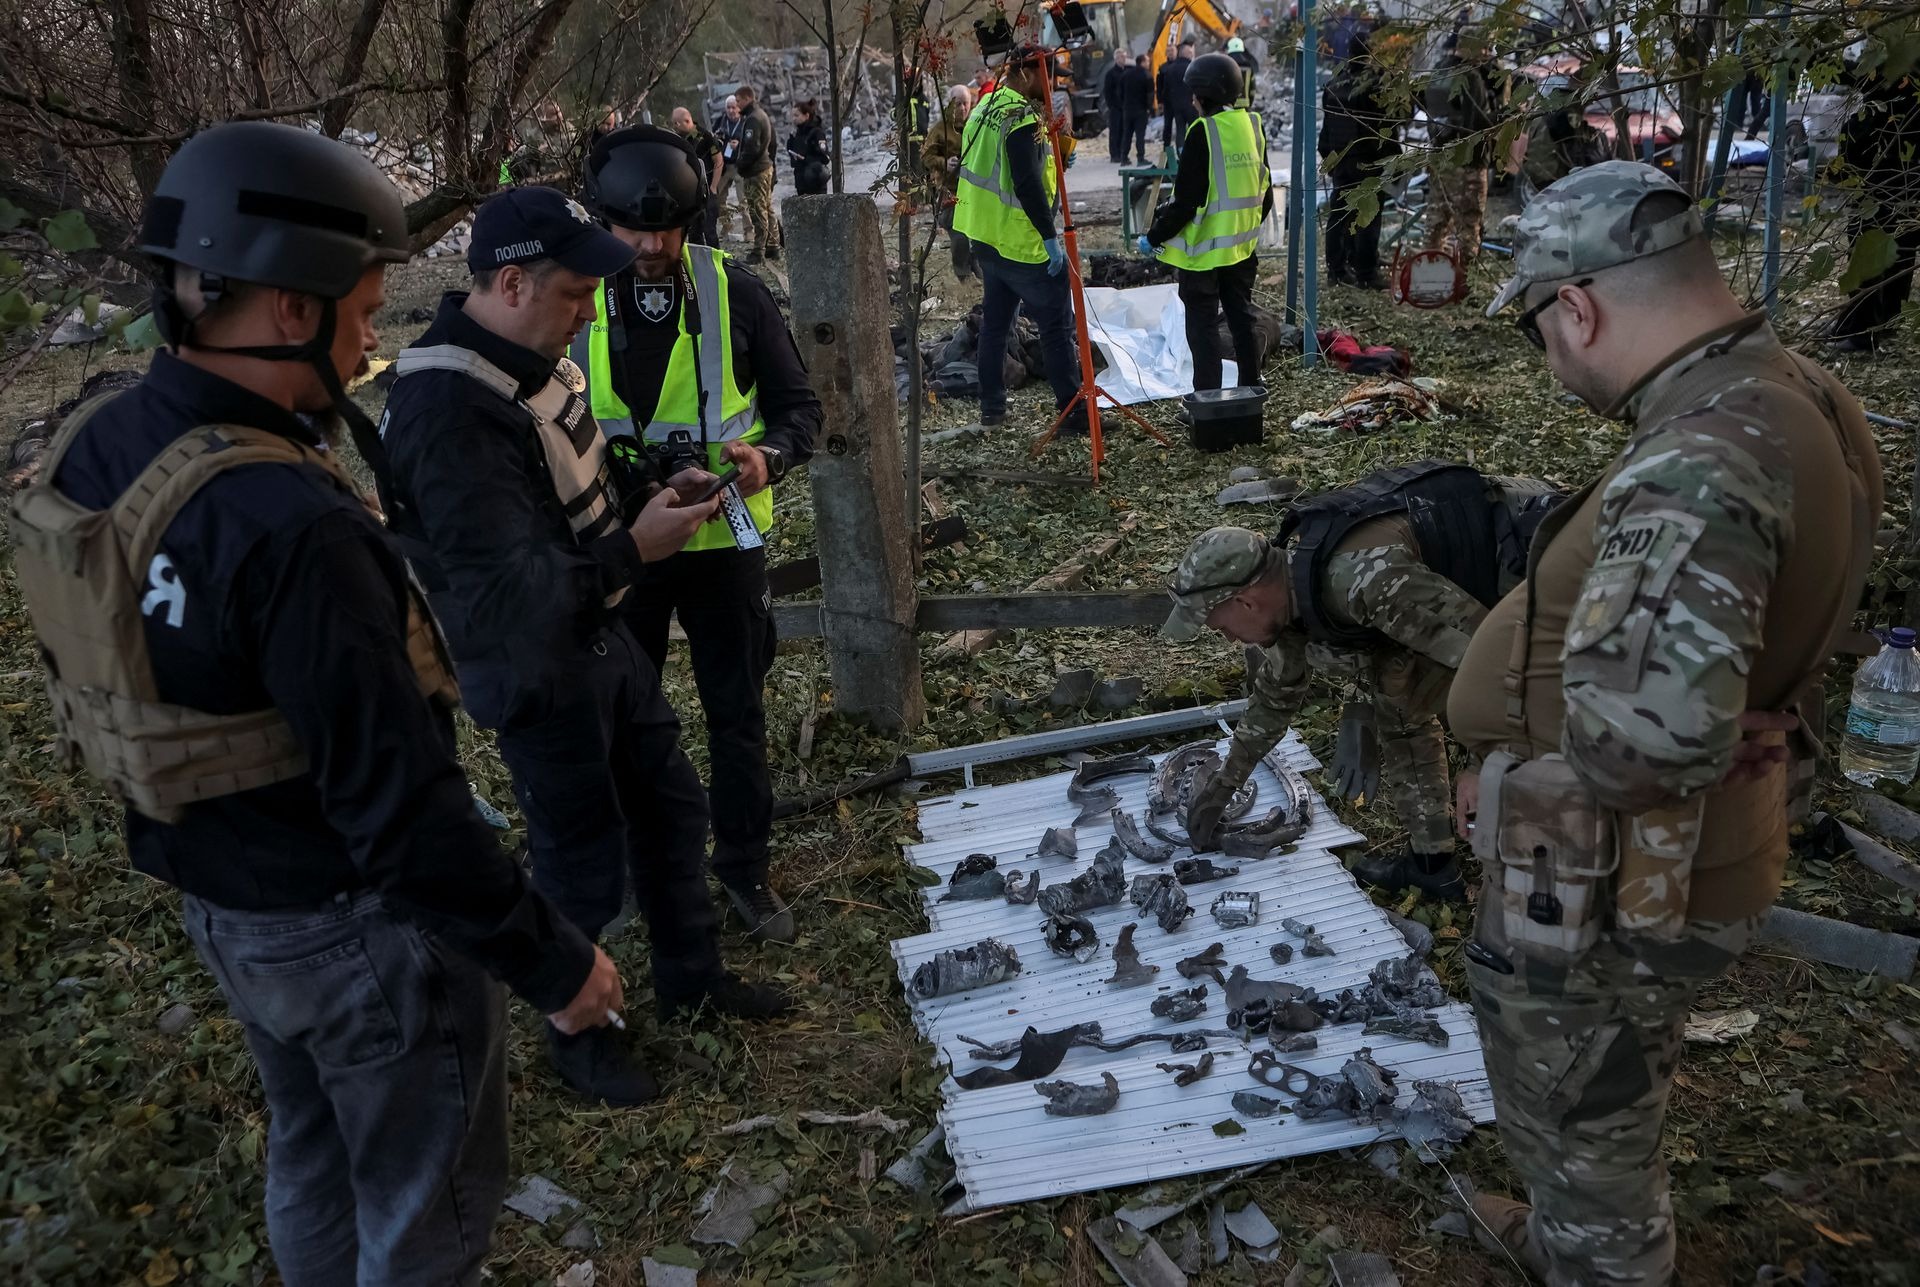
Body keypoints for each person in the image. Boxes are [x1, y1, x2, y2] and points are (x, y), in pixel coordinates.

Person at [10, 123, 624, 1280]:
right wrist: (556, 963)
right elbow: (403, 814)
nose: (372, 329)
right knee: (421, 1208)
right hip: (358, 937)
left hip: (227, 909)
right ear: (292, 310)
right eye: (364, 302)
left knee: (312, 1153)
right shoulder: (294, 528)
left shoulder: (104, 444)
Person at [1457, 162, 1881, 1283]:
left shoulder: (1701, 456)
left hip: (1604, 864)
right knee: (1614, 1074)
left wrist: (1566, 751)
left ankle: (1597, 1257)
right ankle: (1577, 1230)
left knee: (1586, 1085)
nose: (1549, 359)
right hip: (1669, 842)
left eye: (1540, 332)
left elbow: (1641, 742)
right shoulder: (1793, 388)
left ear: (1579, 308)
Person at [380, 186, 792, 1107]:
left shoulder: (537, 362)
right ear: (514, 281)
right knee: (578, 854)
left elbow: (581, 463)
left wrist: (654, 479)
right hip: (538, 668)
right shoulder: (447, 410)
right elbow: (501, 594)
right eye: (573, 295)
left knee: (671, 811)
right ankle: (585, 1038)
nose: (587, 314)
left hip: (602, 641)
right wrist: (631, 551)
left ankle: (693, 978)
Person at [577, 127, 824, 944]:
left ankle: (745, 868)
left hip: (725, 544)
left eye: (668, 229)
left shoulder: (733, 290)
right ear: (600, 220)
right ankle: (631, 875)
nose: (651, 247)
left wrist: (769, 459)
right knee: (618, 715)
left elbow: (801, 411)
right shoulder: (573, 302)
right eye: (633, 231)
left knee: (736, 712)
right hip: (625, 547)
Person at [1162, 465, 1561, 902]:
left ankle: (1551, 877)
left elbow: (1506, 666)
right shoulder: (1290, 591)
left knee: (1526, 719)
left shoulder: (1366, 581)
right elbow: (1272, 702)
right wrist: (1222, 788)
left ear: (1245, 600)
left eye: (1222, 627)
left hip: (1541, 565)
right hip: (1465, 612)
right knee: (1397, 693)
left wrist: (1486, 764)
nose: (1229, 639)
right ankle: (1432, 864)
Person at [953, 46, 1087, 434]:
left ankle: (992, 409)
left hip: (986, 239)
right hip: (1021, 244)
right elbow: (1026, 183)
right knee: (1057, 328)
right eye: (1049, 77)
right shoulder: (1020, 117)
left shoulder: (986, 105)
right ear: (1027, 75)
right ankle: (1073, 414)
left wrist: (1051, 154)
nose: (1053, 86)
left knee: (996, 325)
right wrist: (1049, 238)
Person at [1140, 52, 1273, 392]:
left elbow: (1185, 202)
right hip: (1242, 250)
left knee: (1203, 327)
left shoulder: (1202, 132)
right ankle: (1250, 388)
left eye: (1193, 94)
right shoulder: (1253, 127)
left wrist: (1153, 236)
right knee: (1241, 319)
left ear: (1202, 95)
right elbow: (1265, 193)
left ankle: (1209, 397)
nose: (1192, 100)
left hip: (1203, 257)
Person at [1830, 63, 1920, 353]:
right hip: (1908, 182)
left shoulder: (1883, 102)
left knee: (1868, 253)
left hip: (1878, 184)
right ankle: (1882, 321)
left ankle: (1863, 332)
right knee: (1900, 250)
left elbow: (1852, 148)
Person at [1319, 28, 1400, 288]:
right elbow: (1387, 130)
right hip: (1368, 163)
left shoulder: (1334, 84)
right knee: (1368, 218)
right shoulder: (1376, 85)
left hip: (1341, 160)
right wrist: (1393, 163)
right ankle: (1366, 273)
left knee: (1340, 215)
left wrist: (1329, 157)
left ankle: (1337, 270)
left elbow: (1327, 127)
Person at [1423, 25, 1498, 263]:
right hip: (1468, 163)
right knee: (1468, 224)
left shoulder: (1438, 70)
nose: (1487, 53)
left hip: (1440, 156)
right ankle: (1464, 284)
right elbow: (1478, 123)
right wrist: (1507, 114)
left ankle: (1429, 277)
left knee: (1436, 221)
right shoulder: (1470, 77)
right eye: (1484, 48)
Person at [922, 85, 977, 280]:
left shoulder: (975, 126)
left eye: (966, 103)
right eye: (958, 103)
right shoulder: (940, 129)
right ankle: (962, 275)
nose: (962, 108)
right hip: (949, 191)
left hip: (973, 192)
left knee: (977, 235)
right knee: (960, 236)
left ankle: (977, 269)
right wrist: (944, 163)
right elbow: (925, 157)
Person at [733, 85, 779, 263]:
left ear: (747, 99)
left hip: (756, 171)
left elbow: (752, 149)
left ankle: (759, 251)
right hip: (764, 168)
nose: (737, 105)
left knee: (758, 210)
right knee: (767, 207)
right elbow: (771, 142)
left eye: (738, 101)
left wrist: (740, 165)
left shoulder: (753, 119)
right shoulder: (761, 115)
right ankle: (773, 246)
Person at [672, 105, 725, 245]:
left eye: (675, 124)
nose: (674, 127)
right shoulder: (678, 139)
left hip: (707, 189)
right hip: (690, 193)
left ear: (680, 122)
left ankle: (716, 264)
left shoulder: (704, 136)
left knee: (710, 232)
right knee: (694, 232)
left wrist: (713, 187)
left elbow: (718, 161)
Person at [714, 95, 746, 241]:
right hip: (724, 165)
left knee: (743, 200)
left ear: (739, 108)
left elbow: (752, 144)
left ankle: (749, 231)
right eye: (728, 108)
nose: (731, 111)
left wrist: (739, 144)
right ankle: (726, 226)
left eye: (734, 107)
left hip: (739, 165)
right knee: (719, 198)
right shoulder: (721, 121)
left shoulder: (745, 122)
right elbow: (712, 139)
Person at [1158, 40, 1198, 155]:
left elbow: (1166, 89)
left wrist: (1168, 103)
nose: (1191, 55)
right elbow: (1196, 87)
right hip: (1191, 105)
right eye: (1190, 53)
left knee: (1180, 130)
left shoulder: (1169, 69)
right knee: (1194, 129)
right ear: (1185, 54)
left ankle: (1181, 153)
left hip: (1176, 106)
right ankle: (1194, 153)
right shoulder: (1191, 67)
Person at [787, 98, 831, 195]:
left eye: (797, 115)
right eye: (793, 116)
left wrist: (805, 159)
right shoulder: (797, 134)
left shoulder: (816, 133)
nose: (794, 118)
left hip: (815, 182)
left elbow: (824, 157)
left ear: (806, 116)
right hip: (801, 182)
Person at [1120, 54, 1156, 166]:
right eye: (1148, 61)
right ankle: (1140, 158)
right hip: (1141, 110)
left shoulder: (1125, 75)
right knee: (1140, 135)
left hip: (1128, 109)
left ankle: (1124, 158)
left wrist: (1124, 104)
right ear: (1142, 62)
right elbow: (1150, 95)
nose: (1149, 63)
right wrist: (1150, 108)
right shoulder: (1147, 75)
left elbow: (1120, 92)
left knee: (1127, 134)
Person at [1102, 54, 1128, 162]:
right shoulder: (1110, 74)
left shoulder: (1126, 72)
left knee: (1123, 131)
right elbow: (1107, 92)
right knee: (1115, 131)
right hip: (1115, 107)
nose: (1124, 59)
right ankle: (1114, 155)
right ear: (1116, 59)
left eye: (1125, 57)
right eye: (1121, 57)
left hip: (1125, 107)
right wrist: (1111, 105)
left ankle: (1122, 153)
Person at [1226, 35, 1259, 107]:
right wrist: (1250, 104)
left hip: (1229, 106)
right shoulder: (1249, 67)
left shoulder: (1226, 65)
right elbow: (1252, 90)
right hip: (1245, 106)